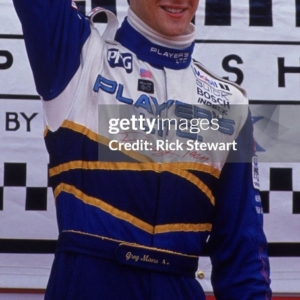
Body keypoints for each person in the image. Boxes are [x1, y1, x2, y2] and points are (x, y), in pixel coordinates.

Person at [12, 0, 272, 299]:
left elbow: (243, 251)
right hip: (89, 283)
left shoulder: (230, 104)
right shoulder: (79, 55)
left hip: (178, 285)